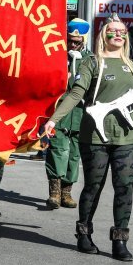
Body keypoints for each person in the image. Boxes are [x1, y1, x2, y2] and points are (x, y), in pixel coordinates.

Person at [43, 14, 133, 262]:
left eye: (122, 31)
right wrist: (53, 119)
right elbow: (76, 93)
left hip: (127, 139)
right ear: (104, 35)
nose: (119, 35)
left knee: (124, 188)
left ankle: (120, 239)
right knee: (93, 187)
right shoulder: (92, 62)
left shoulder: (131, 64)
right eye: (113, 31)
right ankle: (84, 234)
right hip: (96, 137)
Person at [45, 18, 91, 209]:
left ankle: (67, 192)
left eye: (77, 41)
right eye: (70, 40)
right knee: (57, 150)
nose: (72, 44)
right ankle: (54, 192)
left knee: (74, 154)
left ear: (84, 41)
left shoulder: (90, 59)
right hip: (60, 111)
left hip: (81, 114)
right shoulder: (57, 56)